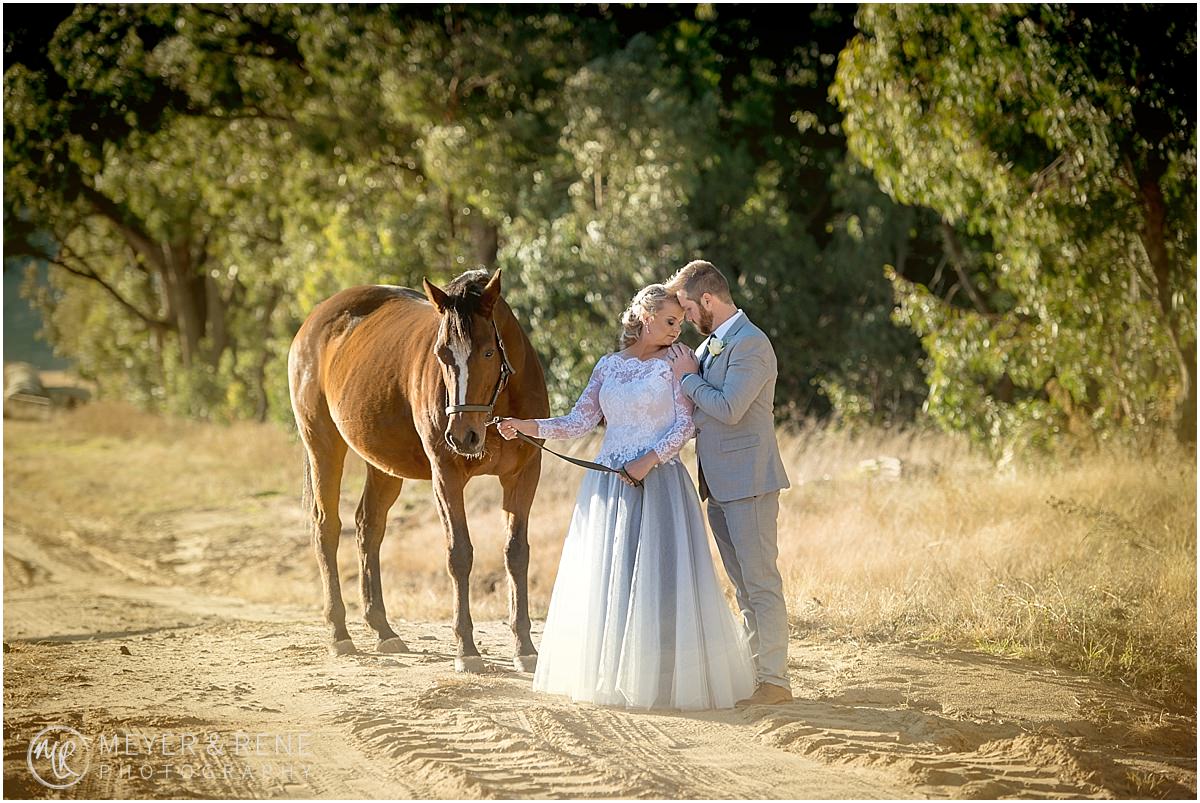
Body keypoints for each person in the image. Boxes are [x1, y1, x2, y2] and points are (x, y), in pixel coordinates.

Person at [497, 284, 755, 710]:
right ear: (645, 316)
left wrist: (647, 461)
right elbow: (579, 420)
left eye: (680, 322)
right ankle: (614, 675)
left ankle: (666, 680)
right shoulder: (607, 366)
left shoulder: (679, 360)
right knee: (613, 581)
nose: (678, 330)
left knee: (661, 581)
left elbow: (685, 426)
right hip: (609, 486)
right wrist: (526, 425)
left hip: (660, 486)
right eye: (670, 321)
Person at [664, 260, 793, 707]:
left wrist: (688, 380)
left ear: (707, 300)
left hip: (751, 481)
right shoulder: (711, 346)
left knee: (760, 583)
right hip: (717, 483)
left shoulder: (751, 344)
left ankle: (775, 680)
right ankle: (756, 674)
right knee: (741, 586)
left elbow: (732, 406)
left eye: (684, 308)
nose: (683, 320)